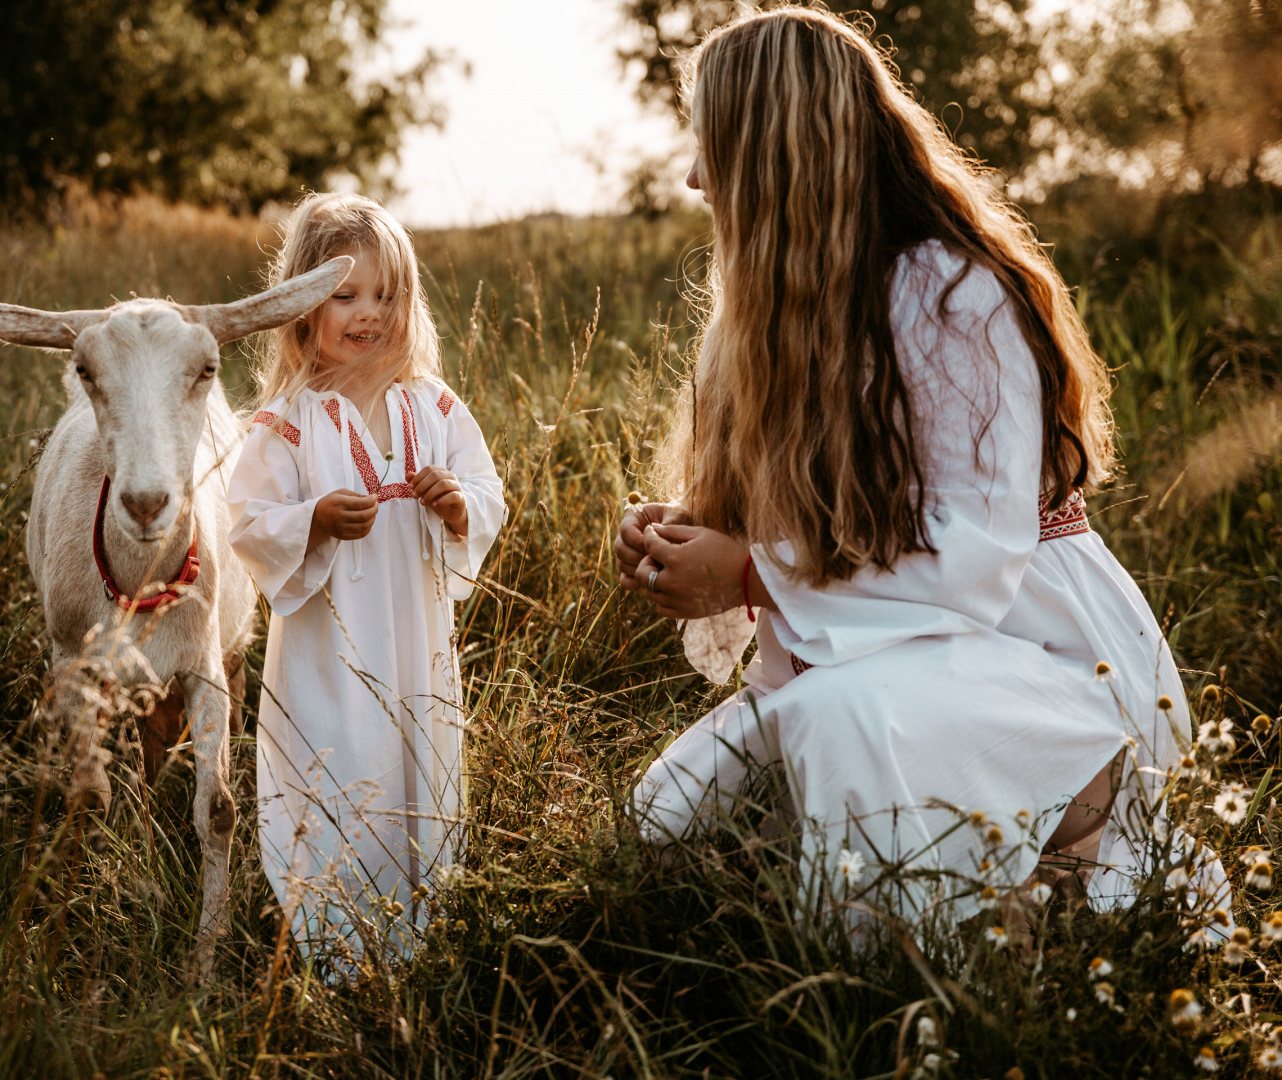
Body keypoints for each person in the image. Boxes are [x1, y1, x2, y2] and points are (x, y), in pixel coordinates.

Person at [614, 8, 1192, 919]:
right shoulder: (766, 321)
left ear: (776, 153)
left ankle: (1043, 877)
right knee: (668, 817)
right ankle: (984, 912)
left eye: (709, 147)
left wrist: (757, 575)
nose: (692, 177)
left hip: (1042, 662)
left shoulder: (953, 294)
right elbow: (802, 525)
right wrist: (687, 538)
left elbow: (974, 562)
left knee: (844, 732)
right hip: (890, 656)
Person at [227, 192, 504, 961]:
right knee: (340, 763)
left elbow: (488, 492)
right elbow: (246, 519)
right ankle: (333, 934)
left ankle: (425, 923)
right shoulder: (288, 420)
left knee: (420, 761)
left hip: (415, 642)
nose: (367, 313)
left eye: (386, 294)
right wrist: (310, 518)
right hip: (332, 649)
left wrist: (458, 505)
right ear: (303, 306)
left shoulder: (434, 406)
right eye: (344, 293)